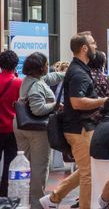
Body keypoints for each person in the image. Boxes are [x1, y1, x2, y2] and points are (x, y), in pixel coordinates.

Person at [40, 32, 107, 209]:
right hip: (80, 129)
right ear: (84, 48)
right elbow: (77, 102)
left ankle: (55, 197)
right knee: (88, 174)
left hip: (80, 128)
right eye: (93, 43)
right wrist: (104, 100)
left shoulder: (79, 70)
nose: (95, 46)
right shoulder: (78, 72)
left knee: (87, 170)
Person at [13, 53, 64, 209]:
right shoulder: (37, 85)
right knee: (39, 168)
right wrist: (55, 106)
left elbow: (52, 77)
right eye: (47, 63)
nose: (49, 66)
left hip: (21, 126)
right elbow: (38, 109)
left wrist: (67, 73)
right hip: (36, 130)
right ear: (41, 67)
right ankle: (37, 204)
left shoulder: (30, 80)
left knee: (25, 165)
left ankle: (23, 201)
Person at [0, 50, 22, 197]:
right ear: (16, 64)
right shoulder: (18, 82)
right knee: (9, 163)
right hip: (12, 129)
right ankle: (4, 194)